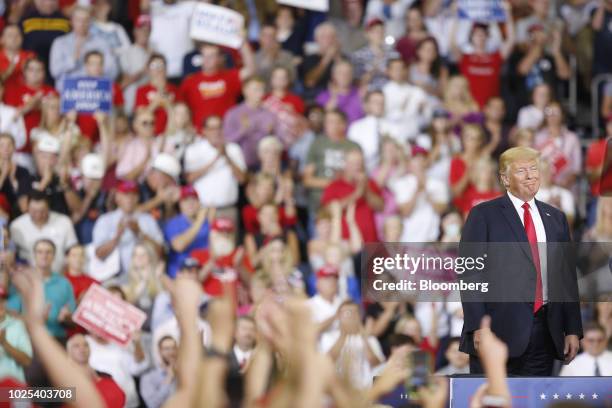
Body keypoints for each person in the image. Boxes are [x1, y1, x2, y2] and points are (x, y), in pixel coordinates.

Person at [459, 146, 582, 376]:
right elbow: (470, 274)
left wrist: (573, 328)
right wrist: (477, 325)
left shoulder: (556, 218)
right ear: (505, 179)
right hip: (495, 331)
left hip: (545, 332)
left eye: (534, 169)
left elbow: (566, 278)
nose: (530, 176)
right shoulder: (483, 215)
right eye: (522, 170)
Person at [449, 1, 515, 109]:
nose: (480, 37)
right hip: (468, 108)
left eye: (483, 34)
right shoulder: (465, 58)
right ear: (471, 37)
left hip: (491, 110)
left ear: (487, 37)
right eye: (477, 34)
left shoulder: (495, 57)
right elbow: (452, 43)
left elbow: (511, 41)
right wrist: (456, 16)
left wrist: (508, 13)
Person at [8, 239, 76, 340]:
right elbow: (10, 315)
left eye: (48, 252)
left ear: (54, 256)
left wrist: (66, 319)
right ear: (34, 255)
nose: (44, 256)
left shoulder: (64, 283)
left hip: (56, 338)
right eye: (40, 252)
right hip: (26, 338)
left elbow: (72, 324)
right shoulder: (22, 280)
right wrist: (35, 321)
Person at [92, 180, 164, 275]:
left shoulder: (147, 219)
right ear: (117, 197)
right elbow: (99, 255)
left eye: (133, 194)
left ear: (137, 198)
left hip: (144, 276)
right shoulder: (105, 220)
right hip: (113, 277)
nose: (129, 198)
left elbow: (160, 252)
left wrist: (140, 233)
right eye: (125, 194)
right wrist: (117, 237)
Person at [184, 115, 247, 223]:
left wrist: (226, 156)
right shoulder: (194, 150)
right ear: (204, 131)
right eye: (212, 128)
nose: (216, 132)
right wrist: (215, 159)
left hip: (228, 209)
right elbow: (189, 178)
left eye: (219, 127)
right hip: (202, 210)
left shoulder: (234, 148)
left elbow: (242, 179)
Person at [180, 42, 255, 130]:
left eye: (211, 56)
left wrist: (242, 42)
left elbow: (250, 70)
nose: (207, 59)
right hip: (201, 133)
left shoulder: (229, 77)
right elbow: (182, 108)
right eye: (204, 56)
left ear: (219, 59)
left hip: (227, 130)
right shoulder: (190, 82)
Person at [302, 109, 360, 219]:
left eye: (333, 121)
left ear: (343, 124)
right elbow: (307, 180)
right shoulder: (317, 144)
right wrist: (333, 183)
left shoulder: (353, 147)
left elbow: (359, 178)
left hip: (346, 203)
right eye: (327, 121)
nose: (329, 125)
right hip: (319, 205)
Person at [321, 149, 383, 243]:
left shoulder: (370, 184)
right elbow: (328, 211)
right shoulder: (334, 186)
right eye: (354, 163)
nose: (358, 166)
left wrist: (365, 189)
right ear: (345, 164)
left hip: (370, 242)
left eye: (360, 163)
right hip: (345, 243)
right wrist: (357, 194)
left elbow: (380, 207)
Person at [389, 145, 449, 242]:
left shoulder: (438, 184)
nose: (419, 162)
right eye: (415, 159)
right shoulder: (401, 184)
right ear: (409, 163)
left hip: (432, 238)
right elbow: (405, 212)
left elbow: (441, 210)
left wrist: (426, 191)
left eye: (422, 158)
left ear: (426, 161)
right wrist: (417, 191)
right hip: (409, 238)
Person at [223, 76, 284, 169]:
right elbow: (226, 141)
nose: (260, 93)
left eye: (262, 89)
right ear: (245, 91)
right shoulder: (233, 113)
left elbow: (280, 140)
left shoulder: (269, 113)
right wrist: (242, 131)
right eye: (256, 89)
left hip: (265, 163)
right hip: (242, 163)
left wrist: (272, 132)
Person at [49, 6, 118, 86]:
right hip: (68, 92)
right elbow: (55, 71)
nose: (82, 24)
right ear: (71, 22)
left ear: (91, 22)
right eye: (78, 20)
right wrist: (73, 60)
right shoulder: (60, 43)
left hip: (95, 90)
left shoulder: (101, 43)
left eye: (86, 20)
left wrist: (97, 70)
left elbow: (113, 70)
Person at [3, 57, 56, 163]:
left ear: (44, 72)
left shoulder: (52, 92)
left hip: (45, 149)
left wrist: (42, 106)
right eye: (31, 70)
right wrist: (33, 102)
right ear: (25, 72)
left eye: (39, 70)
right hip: (19, 151)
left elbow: (56, 119)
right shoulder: (14, 90)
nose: (35, 73)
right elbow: (12, 116)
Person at [10, 191, 77, 273]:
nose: (38, 215)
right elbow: (11, 254)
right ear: (27, 208)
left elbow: (73, 250)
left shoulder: (64, 222)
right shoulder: (16, 226)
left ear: (49, 208)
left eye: (42, 211)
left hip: (59, 275)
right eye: (34, 211)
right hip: (28, 277)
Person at [66, 333, 127, 408]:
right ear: (68, 352)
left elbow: (122, 397)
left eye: (86, 345)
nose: (82, 348)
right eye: (76, 346)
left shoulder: (107, 377)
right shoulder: (62, 384)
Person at [164, 185, 212, 278]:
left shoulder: (207, 222)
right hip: (181, 273)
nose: (190, 203)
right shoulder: (173, 223)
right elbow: (179, 246)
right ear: (180, 204)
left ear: (199, 202)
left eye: (193, 199)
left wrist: (211, 222)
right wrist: (199, 221)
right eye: (185, 200)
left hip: (205, 271)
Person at [19, 0, 70, 79]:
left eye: (51, 1)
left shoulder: (65, 20)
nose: (48, 3)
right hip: (32, 67)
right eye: (44, 1)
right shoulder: (26, 19)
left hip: (57, 69)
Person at [382, 58, 430, 142]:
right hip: (394, 138)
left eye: (402, 68)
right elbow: (386, 117)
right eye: (396, 69)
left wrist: (422, 110)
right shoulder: (384, 93)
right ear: (388, 71)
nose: (399, 72)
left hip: (415, 135)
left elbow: (427, 118)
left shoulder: (416, 91)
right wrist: (401, 109)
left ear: (406, 70)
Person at [134, 53, 181, 136]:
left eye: (161, 66)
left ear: (166, 69)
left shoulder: (175, 89)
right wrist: (156, 102)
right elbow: (140, 117)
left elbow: (181, 115)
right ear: (148, 70)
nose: (158, 69)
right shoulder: (142, 90)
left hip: (172, 134)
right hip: (150, 136)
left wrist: (168, 104)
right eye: (154, 66)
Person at [351, 18, 400, 91]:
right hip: (369, 93)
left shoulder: (393, 54)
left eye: (382, 31)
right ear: (367, 34)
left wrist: (389, 72)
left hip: (390, 92)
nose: (379, 34)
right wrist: (374, 68)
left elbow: (400, 77)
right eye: (375, 32)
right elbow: (358, 82)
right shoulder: (359, 56)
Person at [315, 59, 364, 125]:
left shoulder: (360, 93)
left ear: (352, 75)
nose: (344, 76)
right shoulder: (323, 97)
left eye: (348, 72)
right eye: (340, 73)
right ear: (333, 75)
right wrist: (334, 99)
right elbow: (320, 122)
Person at [0, 285, 32, 383]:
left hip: (13, 389)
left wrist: (5, 343)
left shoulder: (17, 325)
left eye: (2, 300)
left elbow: (27, 361)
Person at [139, 336, 178, 408]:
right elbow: (152, 404)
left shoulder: (184, 373)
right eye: (167, 349)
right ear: (159, 351)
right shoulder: (148, 377)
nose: (171, 352)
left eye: (174, 348)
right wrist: (169, 378)